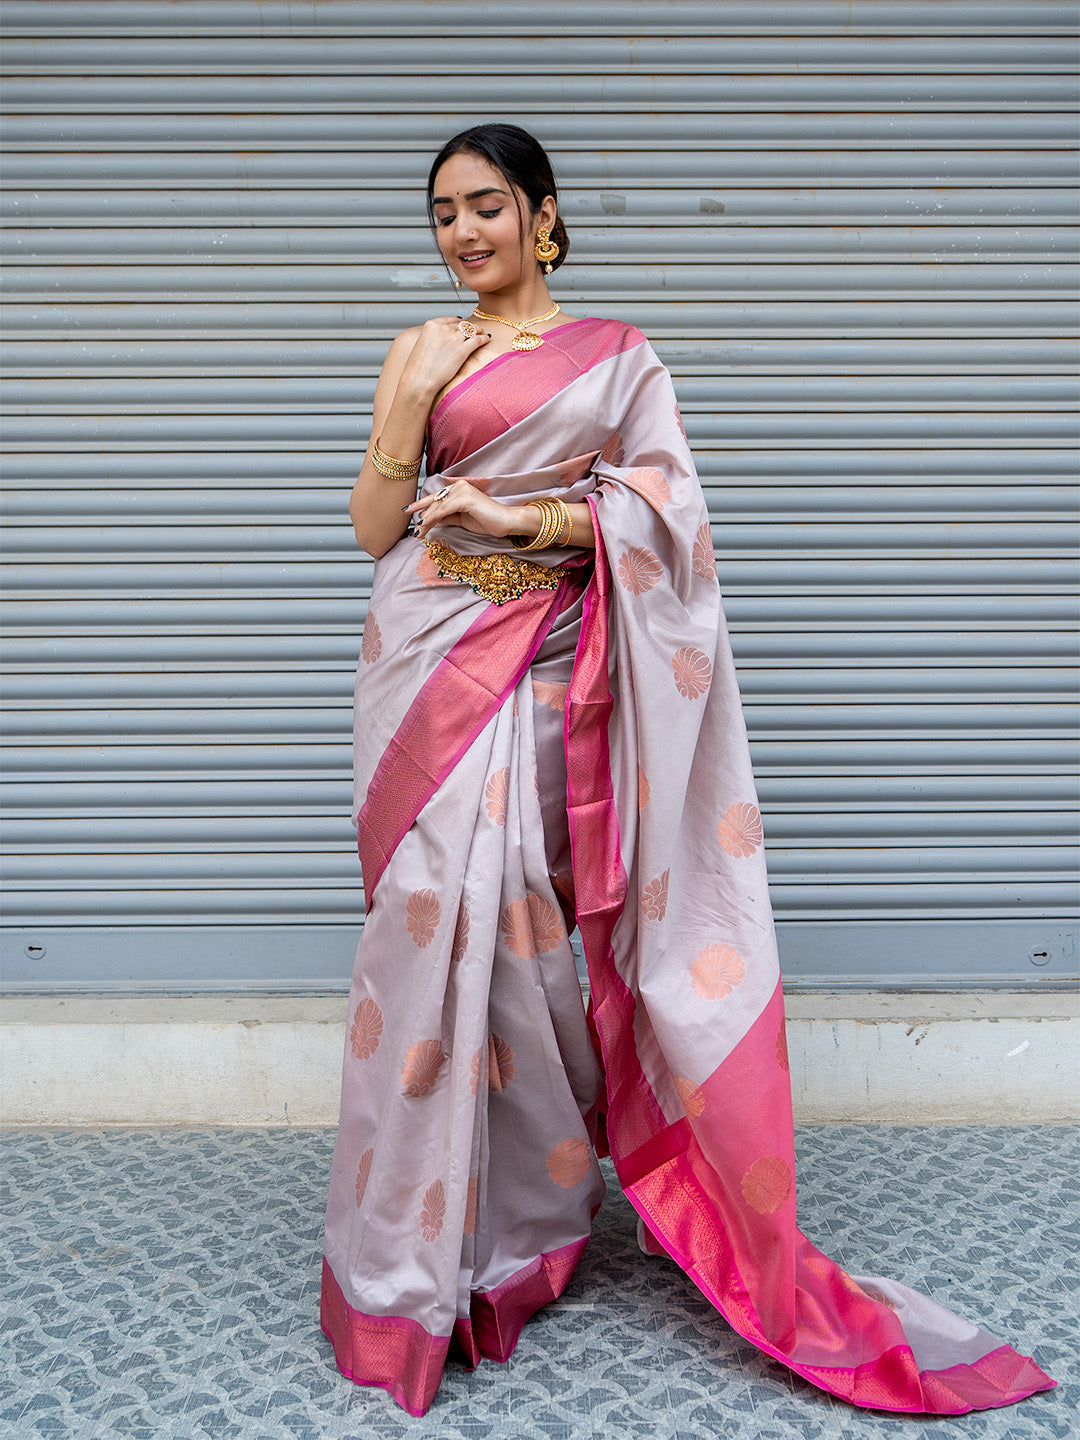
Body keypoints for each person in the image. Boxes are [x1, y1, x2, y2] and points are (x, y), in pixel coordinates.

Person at [320, 123, 1055, 1419]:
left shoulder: (616, 359)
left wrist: (517, 516)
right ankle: (425, 1261)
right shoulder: (418, 352)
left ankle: (525, 1233)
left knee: (534, 949)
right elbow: (378, 527)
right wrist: (397, 408)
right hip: (425, 677)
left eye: (486, 206)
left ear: (544, 217)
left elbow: (667, 513)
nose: (462, 233)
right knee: (432, 939)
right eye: (441, 215)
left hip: (555, 677)